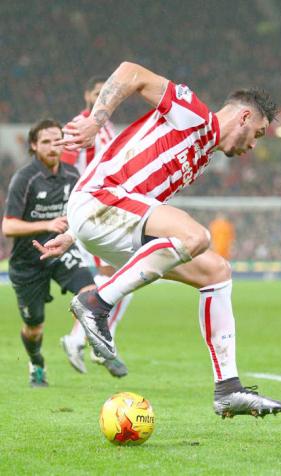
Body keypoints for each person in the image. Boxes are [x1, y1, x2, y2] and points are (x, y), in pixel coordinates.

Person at [34, 61, 281, 418]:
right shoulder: (193, 114)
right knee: (196, 236)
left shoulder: (199, 156)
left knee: (217, 271)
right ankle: (97, 303)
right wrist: (96, 119)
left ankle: (228, 389)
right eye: (258, 134)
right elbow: (130, 72)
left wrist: (76, 234)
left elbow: (140, 196)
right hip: (100, 198)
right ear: (244, 118)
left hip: (106, 218)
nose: (252, 146)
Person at [2, 119, 97, 387]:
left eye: (57, 140)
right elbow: (7, 225)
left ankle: (82, 342)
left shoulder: (72, 176)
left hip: (59, 251)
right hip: (27, 262)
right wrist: (47, 224)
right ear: (34, 145)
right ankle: (36, 363)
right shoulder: (24, 178)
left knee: (90, 291)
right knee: (34, 328)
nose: (53, 146)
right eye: (46, 141)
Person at [60, 76, 131, 378]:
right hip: (91, 209)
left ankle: (83, 339)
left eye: (107, 92)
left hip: (108, 208)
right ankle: (94, 343)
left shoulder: (108, 129)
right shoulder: (77, 125)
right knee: (120, 275)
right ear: (86, 94)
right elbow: (63, 169)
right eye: (97, 91)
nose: (102, 96)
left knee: (127, 276)